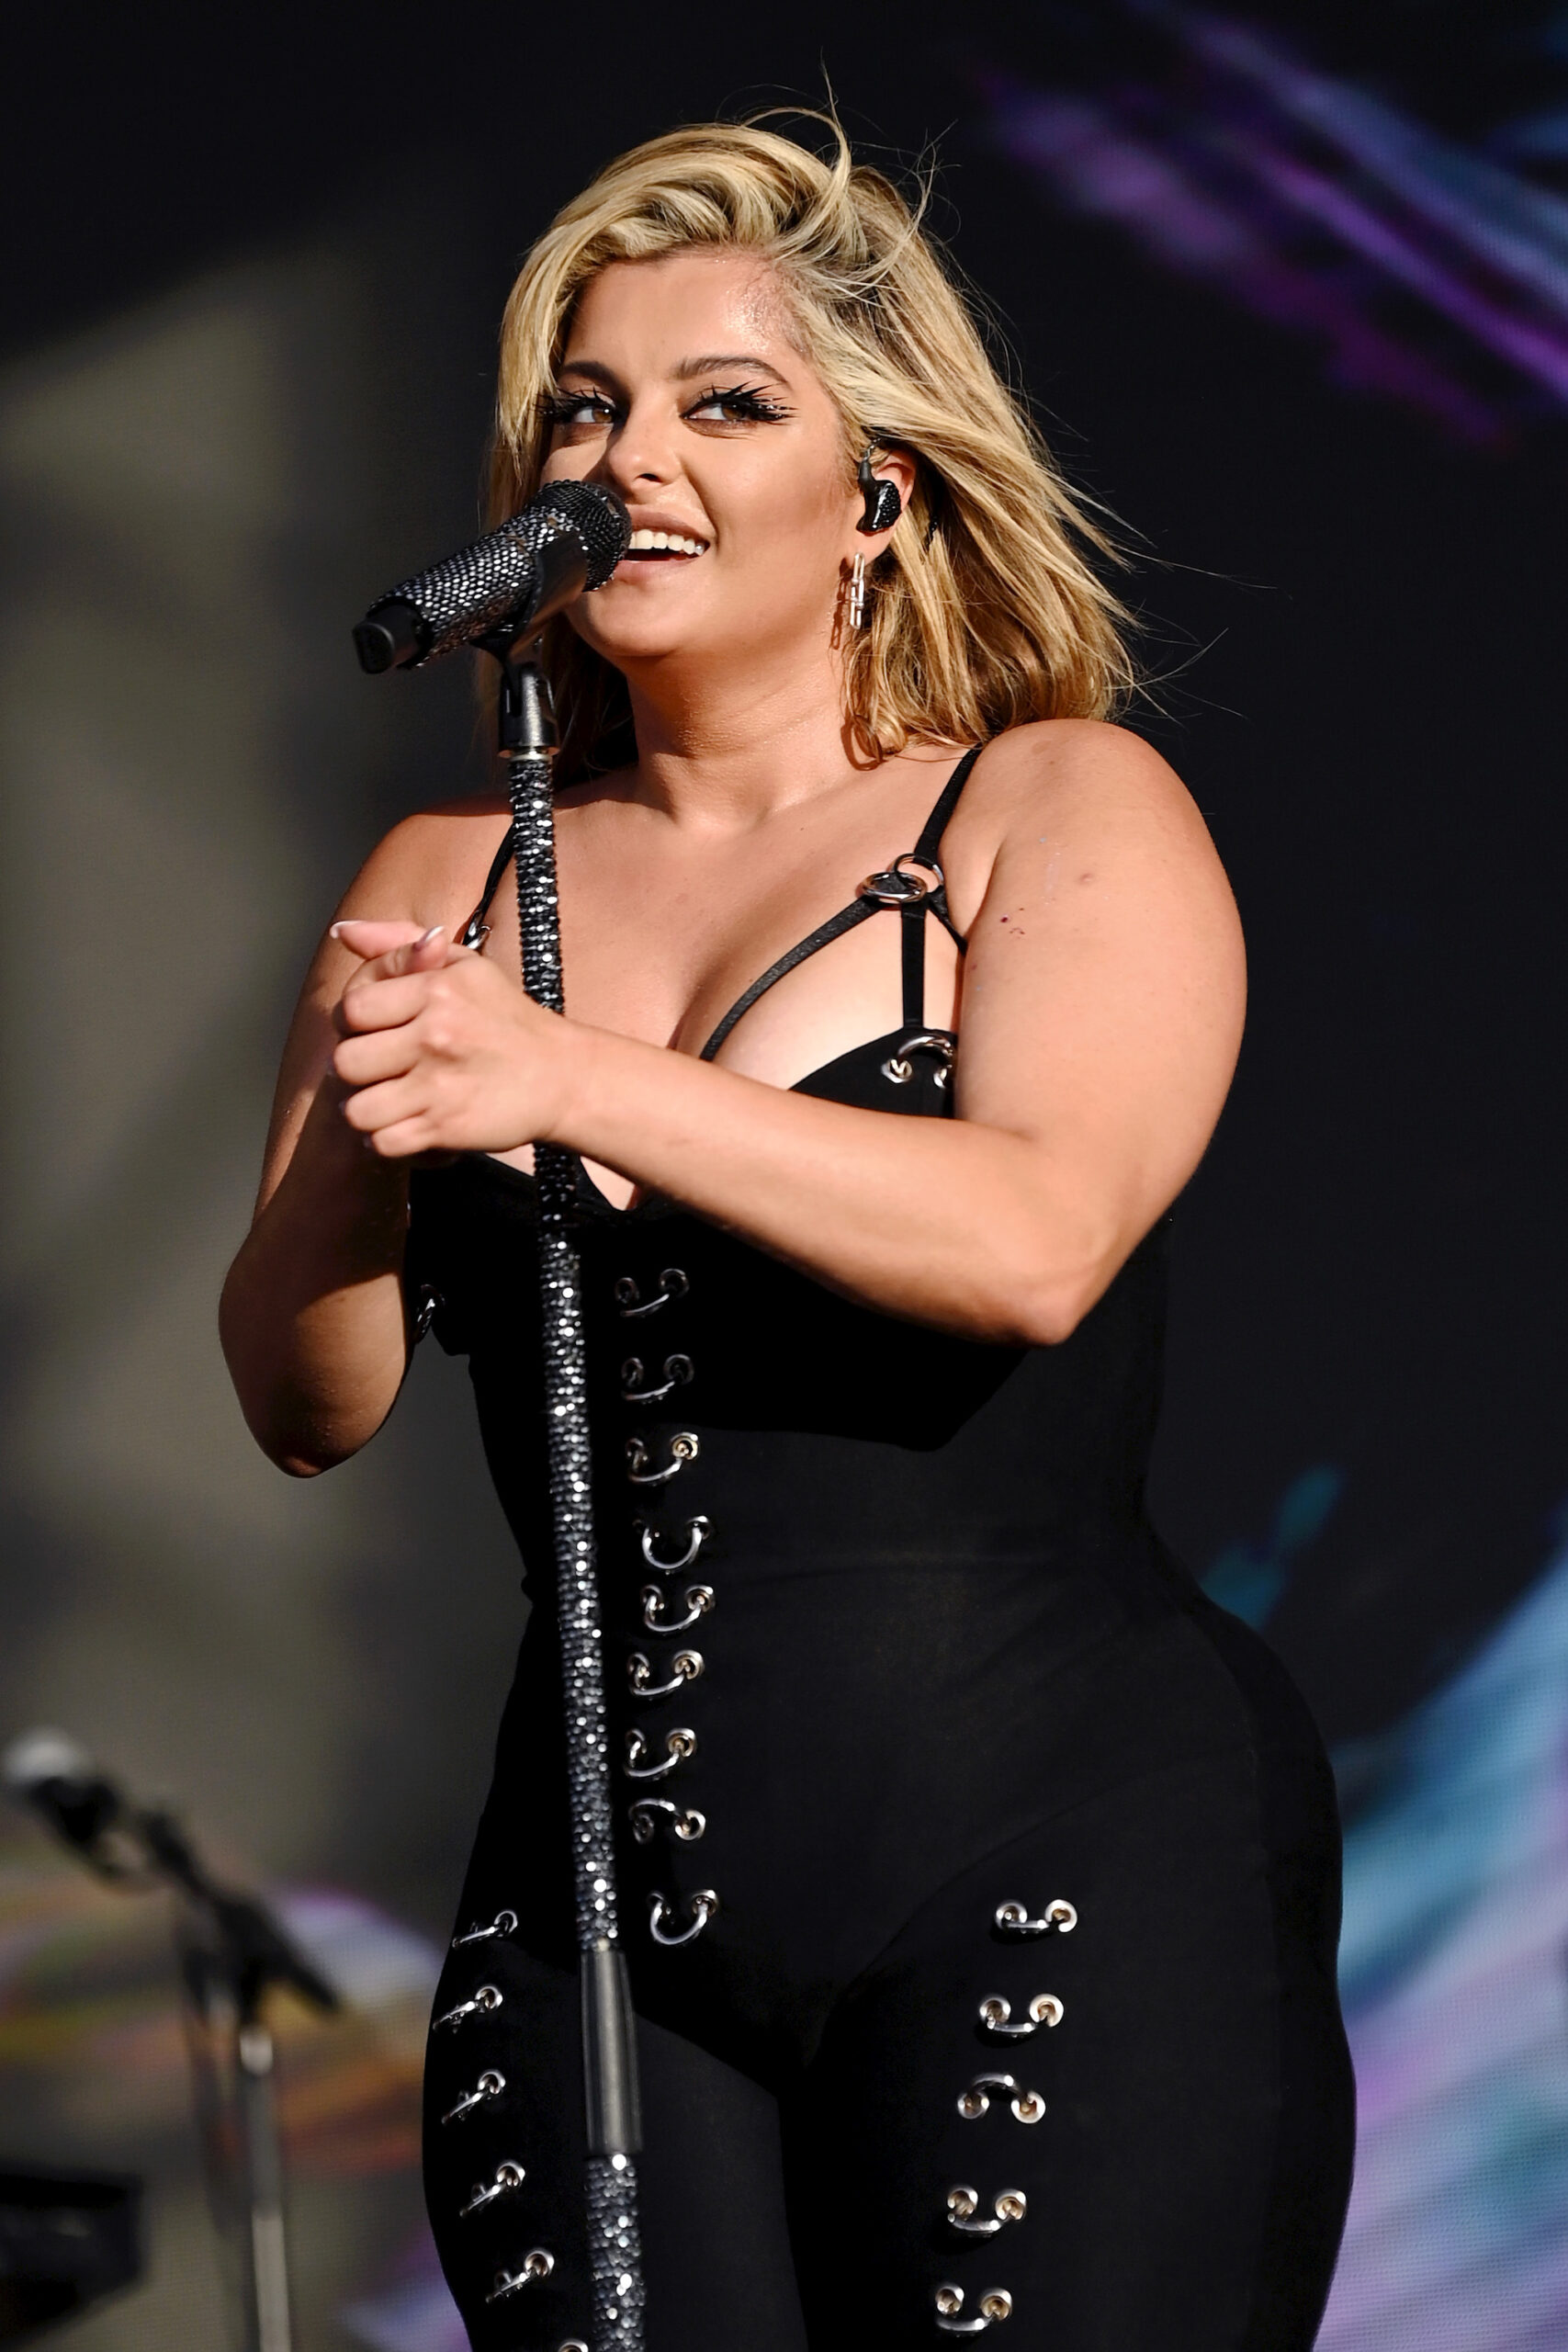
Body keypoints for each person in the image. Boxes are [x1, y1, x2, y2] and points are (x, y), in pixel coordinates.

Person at [220, 118, 1353, 2352]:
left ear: (881, 493)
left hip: (1048, 1839)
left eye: (725, 404)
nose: (634, 455)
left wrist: (568, 1084)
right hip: (597, 1928)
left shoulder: (1044, 799)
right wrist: (366, 1134)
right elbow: (302, 1398)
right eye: (587, 404)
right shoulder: (451, 863)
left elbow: (1035, 1235)